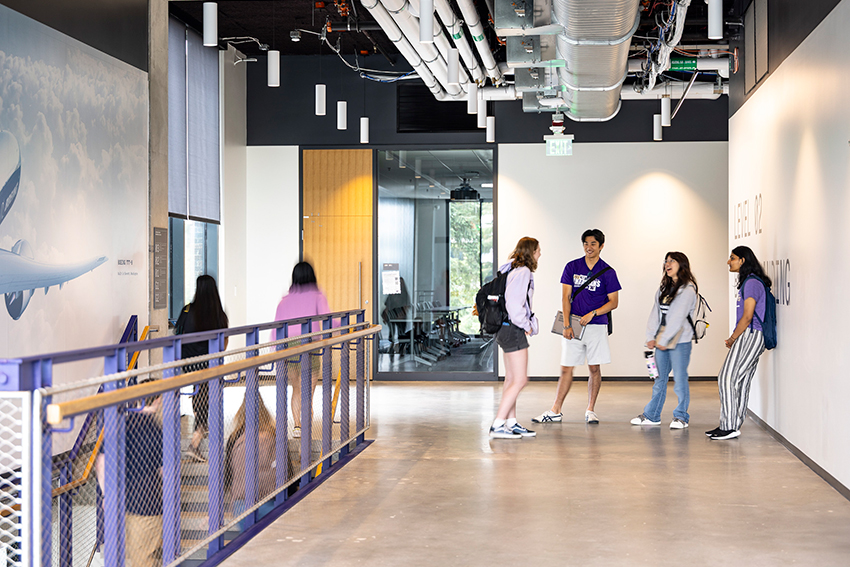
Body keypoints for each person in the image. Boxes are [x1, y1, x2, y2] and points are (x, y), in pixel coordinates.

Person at [533, 229, 621, 425]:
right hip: (573, 324)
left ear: (601, 246)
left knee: (594, 368)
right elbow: (565, 297)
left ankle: (590, 410)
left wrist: (594, 313)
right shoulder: (572, 266)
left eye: (593, 244)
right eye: (586, 243)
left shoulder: (608, 271)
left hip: (597, 325)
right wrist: (566, 325)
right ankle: (555, 410)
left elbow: (613, 302)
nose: (589, 247)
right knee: (566, 368)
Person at [706, 246, 771, 440]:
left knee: (726, 378)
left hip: (750, 335)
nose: (729, 261)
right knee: (740, 381)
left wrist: (733, 337)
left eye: (732, 258)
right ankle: (731, 424)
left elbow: (748, 316)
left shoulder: (751, 283)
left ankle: (730, 426)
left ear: (743, 260)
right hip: (752, 336)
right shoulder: (751, 282)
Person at [631, 252, 698, 429]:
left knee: (680, 379)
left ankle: (681, 416)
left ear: (682, 265)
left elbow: (678, 317)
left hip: (680, 341)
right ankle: (652, 415)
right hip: (662, 340)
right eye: (666, 261)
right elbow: (655, 314)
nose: (667, 264)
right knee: (658, 378)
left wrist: (664, 339)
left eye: (672, 261)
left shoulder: (688, 289)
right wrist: (651, 337)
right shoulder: (663, 288)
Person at [489, 237, 541, 439]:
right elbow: (514, 306)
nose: (540, 254)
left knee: (511, 379)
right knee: (520, 379)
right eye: (538, 250)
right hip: (513, 329)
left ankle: (510, 422)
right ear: (531, 252)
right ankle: (498, 424)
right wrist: (527, 326)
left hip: (503, 329)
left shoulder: (509, 269)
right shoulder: (524, 272)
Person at [273, 261, 331, 438]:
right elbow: (330, 319)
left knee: (296, 389)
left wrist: (276, 352)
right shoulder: (317, 296)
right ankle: (305, 430)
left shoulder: (284, 301)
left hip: (288, 348)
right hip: (310, 347)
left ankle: (297, 426)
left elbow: (277, 328)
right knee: (308, 393)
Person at [175, 274, 229, 462]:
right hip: (210, 364)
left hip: (188, 363)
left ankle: (200, 433)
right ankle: (194, 443)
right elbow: (223, 344)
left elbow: (177, 335)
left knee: (201, 396)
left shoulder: (187, 310)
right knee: (208, 399)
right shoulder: (218, 314)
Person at [225, 394, 276, 526]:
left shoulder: (234, 437)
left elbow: (228, 474)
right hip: (270, 499)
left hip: (242, 502)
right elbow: (285, 469)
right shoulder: (273, 434)